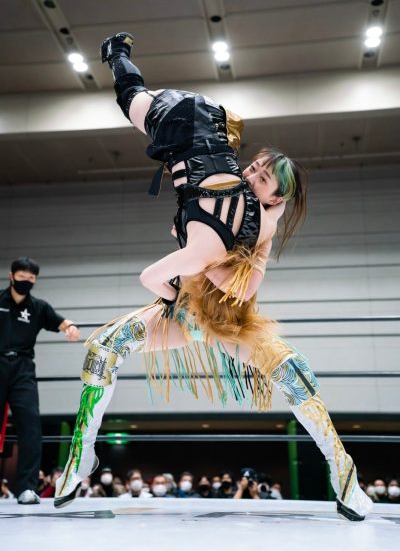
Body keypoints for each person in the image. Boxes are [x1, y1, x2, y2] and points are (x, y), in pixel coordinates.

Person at [54, 33, 373, 522]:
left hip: (230, 323)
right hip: (181, 310)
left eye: (262, 178)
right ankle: (80, 460)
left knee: (294, 374)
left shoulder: (264, 223)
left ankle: (346, 478)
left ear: (275, 198)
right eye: (254, 166)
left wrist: (204, 258)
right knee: (102, 349)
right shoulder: (220, 191)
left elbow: (245, 287)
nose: (251, 175)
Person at [0, 257, 80, 505]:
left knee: (31, 426)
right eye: (22, 277)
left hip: (23, 368)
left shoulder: (38, 307)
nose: (26, 282)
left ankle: (27, 488)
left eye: (31, 279)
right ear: (11, 276)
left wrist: (71, 327)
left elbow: (61, 322)